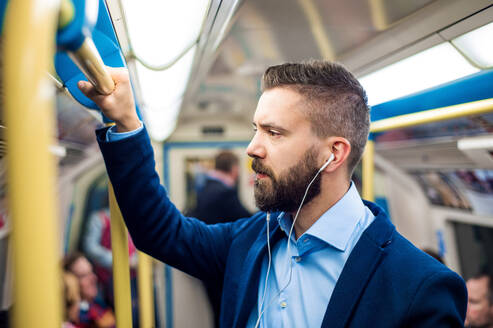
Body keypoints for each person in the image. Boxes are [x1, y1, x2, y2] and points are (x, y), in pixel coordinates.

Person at [79, 60, 467, 327]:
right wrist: (127, 123)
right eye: (255, 129)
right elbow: (160, 232)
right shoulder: (251, 240)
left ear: (333, 153)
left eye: (274, 133)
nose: (252, 148)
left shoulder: (419, 286)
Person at [186, 151, 251, 327]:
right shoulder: (224, 193)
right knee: (225, 314)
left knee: (217, 312)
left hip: (207, 260)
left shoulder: (205, 188)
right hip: (220, 262)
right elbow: (248, 221)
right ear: (234, 169)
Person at [187, 151, 251, 225]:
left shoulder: (205, 186)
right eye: (238, 167)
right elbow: (244, 219)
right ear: (233, 168)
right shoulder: (226, 192)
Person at [64, 253, 115, 328]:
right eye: (84, 275)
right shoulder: (73, 319)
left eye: (92, 271)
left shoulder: (98, 304)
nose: (94, 278)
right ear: (70, 282)